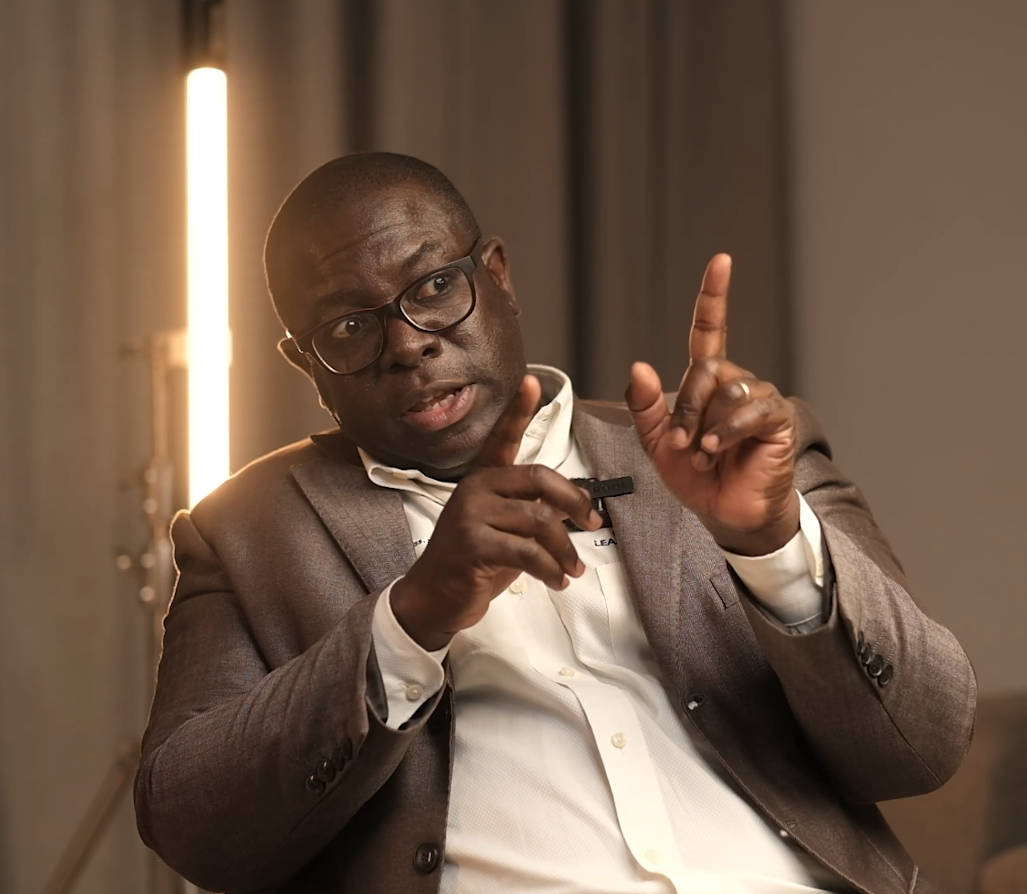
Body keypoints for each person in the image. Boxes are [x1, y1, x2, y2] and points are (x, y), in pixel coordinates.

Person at [134, 152, 975, 894]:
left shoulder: (737, 448)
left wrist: (773, 546)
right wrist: (411, 616)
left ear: (497, 274)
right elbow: (194, 825)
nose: (407, 345)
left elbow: (925, 744)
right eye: (349, 326)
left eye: (433, 287)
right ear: (305, 364)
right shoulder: (245, 533)